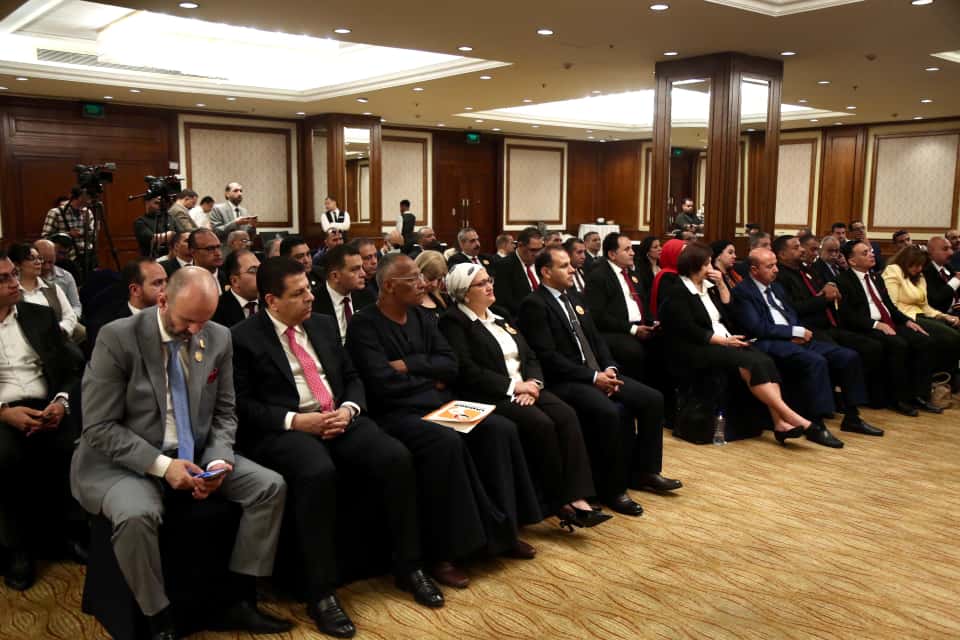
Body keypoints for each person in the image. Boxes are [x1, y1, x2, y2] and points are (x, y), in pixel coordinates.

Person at [71, 267, 292, 639]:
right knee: (137, 514)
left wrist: (219, 459)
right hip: (124, 460)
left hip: (196, 451)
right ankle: (158, 617)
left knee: (269, 487)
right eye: (187, 320)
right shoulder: (117, 337)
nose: (195, 331)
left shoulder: (218, 336)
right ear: (162, 300)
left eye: (203, 321)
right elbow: (99, 428)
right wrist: (163, 466)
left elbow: (225, 412)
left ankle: (240, 599)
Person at [232, 258, 443, 636]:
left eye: (309, 289)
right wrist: (296, 421)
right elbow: (243, 405)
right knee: (317, 472)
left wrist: (348, 409)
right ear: (272, 301)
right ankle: (320, 592)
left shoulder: (323, 324)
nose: (310, 297)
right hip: (288, 429)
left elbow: (351, 376)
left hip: (339, 416)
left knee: (394, 457)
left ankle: (409, 565)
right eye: (298, 293)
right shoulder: (243, 337)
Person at [346, 254, 541, 589]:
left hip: (440, 404)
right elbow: (381, 383)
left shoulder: (422, 317)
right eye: (413, 279)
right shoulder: (364, 325)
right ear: (389, 286)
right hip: (397, 414)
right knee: (445, 442)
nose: (422, 284)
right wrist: (427, 375)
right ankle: (446, 553)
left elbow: (450, 365)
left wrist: (409, 365)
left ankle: (503, 533)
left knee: (499, 429)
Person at [439, 264, 611, 530]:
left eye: (489, 279)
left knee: (566, 415)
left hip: (527, 386)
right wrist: (514, 387)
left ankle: (578, 495)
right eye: (481, 283)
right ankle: (558, 501)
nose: (490, 286)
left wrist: (533, 383)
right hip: (490, 393)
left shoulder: (500, 315)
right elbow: (467, 370)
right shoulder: (453, 321)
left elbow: (530, 355)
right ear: (464, 292)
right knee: (540, 423)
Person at [518, 247, 680, 516]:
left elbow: (596, 339)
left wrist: (609, 367)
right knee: (608, 412)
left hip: (597, 372)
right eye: (564, 266)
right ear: (546, 272)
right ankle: (612, 490)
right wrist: (593, 377)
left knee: (652, 399)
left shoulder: (574, 296)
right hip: (566, 380)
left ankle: (645, 471)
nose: (573, 269)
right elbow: (547, 357)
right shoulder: (534, 304)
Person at [658, 242, 820, 445]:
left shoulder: (708, 288)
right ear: (695, 266)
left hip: (724, 340)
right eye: (708, 263)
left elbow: (729, 314)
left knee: (764, 361)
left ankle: (779, 423)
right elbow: (689, 329)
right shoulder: (678, 291)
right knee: (749, 363)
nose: (712, 267)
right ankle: (792, 417)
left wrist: (721, 285)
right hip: (697, 347)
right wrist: (725, 341)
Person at [732, 247, 879, 443]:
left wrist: (797, 331)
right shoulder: (743, 292)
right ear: (754, 270)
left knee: (847, 356)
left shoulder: (777, 287)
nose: (776, 270)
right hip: (768, 342)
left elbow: (791, 313)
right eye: (769, 266)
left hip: (794, 338)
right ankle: (816, 423)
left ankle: (852, 416)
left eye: (775, 265)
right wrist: (792, 332)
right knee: (815, 361)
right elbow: (757, 327)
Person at [0, 250, 82, 591]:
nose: (14, 283)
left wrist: (61, 402)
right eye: (3, 279)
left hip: (46, 404)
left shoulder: (39, 316)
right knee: (7, 456)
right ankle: (16, 548)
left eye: (13, 275)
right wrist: (4, 412)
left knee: (75, 447)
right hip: (3, 410)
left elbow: (72, 368)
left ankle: (67, 534)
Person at [774, 234, 888, 410]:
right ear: (782, 254)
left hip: (829, 324)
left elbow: (825, 283)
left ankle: (864, 400)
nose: (802, 250)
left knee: (870, 345)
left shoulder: (805, 269)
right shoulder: (780, 277)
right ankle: (842, 402)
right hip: (809, 328)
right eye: (796, 248)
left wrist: (831, 285)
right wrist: (823, 299)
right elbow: (794, 308)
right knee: (844, 353)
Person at [836, 240, 940, 416]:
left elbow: (889, 306)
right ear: (852, 261)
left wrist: (907, 321)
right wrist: (876, 325)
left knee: (924, 340)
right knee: (898, 344)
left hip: (888, 322)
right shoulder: (842, 280)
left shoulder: (876, 277)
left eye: (870, 251)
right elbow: (848, 315)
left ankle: (919, 395)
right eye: (865, 253)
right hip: (866, 326)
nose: (871, 254)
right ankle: (898, 398)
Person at [882, 245, 960, 383]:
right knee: (952, 337)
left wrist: (944, 316)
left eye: (921, 265)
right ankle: (943, 378)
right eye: (916, 265)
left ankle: (948, 377)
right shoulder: (894, 270)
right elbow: (891, 305)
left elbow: (925, 306)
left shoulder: (920, 276)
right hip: (904, 317)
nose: (919, 269)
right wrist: (906, 321)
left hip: (921, 315)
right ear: (906, 261)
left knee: (955, 328)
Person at [584, 233, 655, 382]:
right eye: (627, 249)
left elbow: (642, 303)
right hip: (615, 331)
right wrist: (633, 329)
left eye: (632, 249)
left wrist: (652, 322)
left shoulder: (633, 274)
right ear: (612, 254)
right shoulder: (599, 276)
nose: (632, 253)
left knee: (665, 341)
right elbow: (598, 316)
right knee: (633, 351)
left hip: (639, 326)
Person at [85, 258, 168, 357]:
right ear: (135, 290)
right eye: (158, 283)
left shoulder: (173, 315)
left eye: (166, 281)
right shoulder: (106, 328)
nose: (166, 288)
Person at [9, 244, 80, 341]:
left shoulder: (53, 288)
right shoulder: (11, 291)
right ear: (17, 265)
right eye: (31, 258)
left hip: (55, 340)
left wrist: (59, 329)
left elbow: (70, 315)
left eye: (39, 258)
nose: (38, 262)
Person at [312, 244, 375, 342]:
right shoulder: (313, 303)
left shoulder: (367, 296)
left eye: (362, 268)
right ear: (335, 276)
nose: (363, 274)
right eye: (355, 269)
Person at [493, 226, 545, 317]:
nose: (537, 254)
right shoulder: (504, 266)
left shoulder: (542, 263)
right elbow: (504, 302)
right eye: (533, 250)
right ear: (520, 245)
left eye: (540, 249)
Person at [41, 187, 95, 267]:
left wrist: (88, 230)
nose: (90, 200)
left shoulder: (88, 212)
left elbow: (93, 236)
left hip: (87, 256)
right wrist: (68, 234)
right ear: (80, 197)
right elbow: (45, 237)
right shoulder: (56, 212)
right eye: (88, 196)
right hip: (67, 258)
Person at [212, 249, 261, 328]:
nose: (261, 274)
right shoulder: (216, 310)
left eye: (261, 269)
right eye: (253, 270)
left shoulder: (271, 302)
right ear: (235, 281)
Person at [34, 238, 81, 318]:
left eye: (50, 262)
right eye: (43, 262)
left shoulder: (66, 277)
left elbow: (76, 306)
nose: (47, 267)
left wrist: (71, 319)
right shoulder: (27, 278)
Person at [649, 238, 687, 320]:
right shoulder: (667, 276)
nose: (687, 256)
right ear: (673, 254)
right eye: (683, 253)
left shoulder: (679, 272)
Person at [924, 236, 960, 315]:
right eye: (945, 249)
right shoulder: (926, 271)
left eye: (950, 248)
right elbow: (935, 300)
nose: (951, 252)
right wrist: (956, 280)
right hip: (942, 315)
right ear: (930, 253)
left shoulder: (947, 266)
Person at [415, 250, 452, 321]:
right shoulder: (409, 303)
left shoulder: (443, 298)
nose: (435, 285)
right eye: (430, 279)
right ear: (419, 273)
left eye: (439, 279)